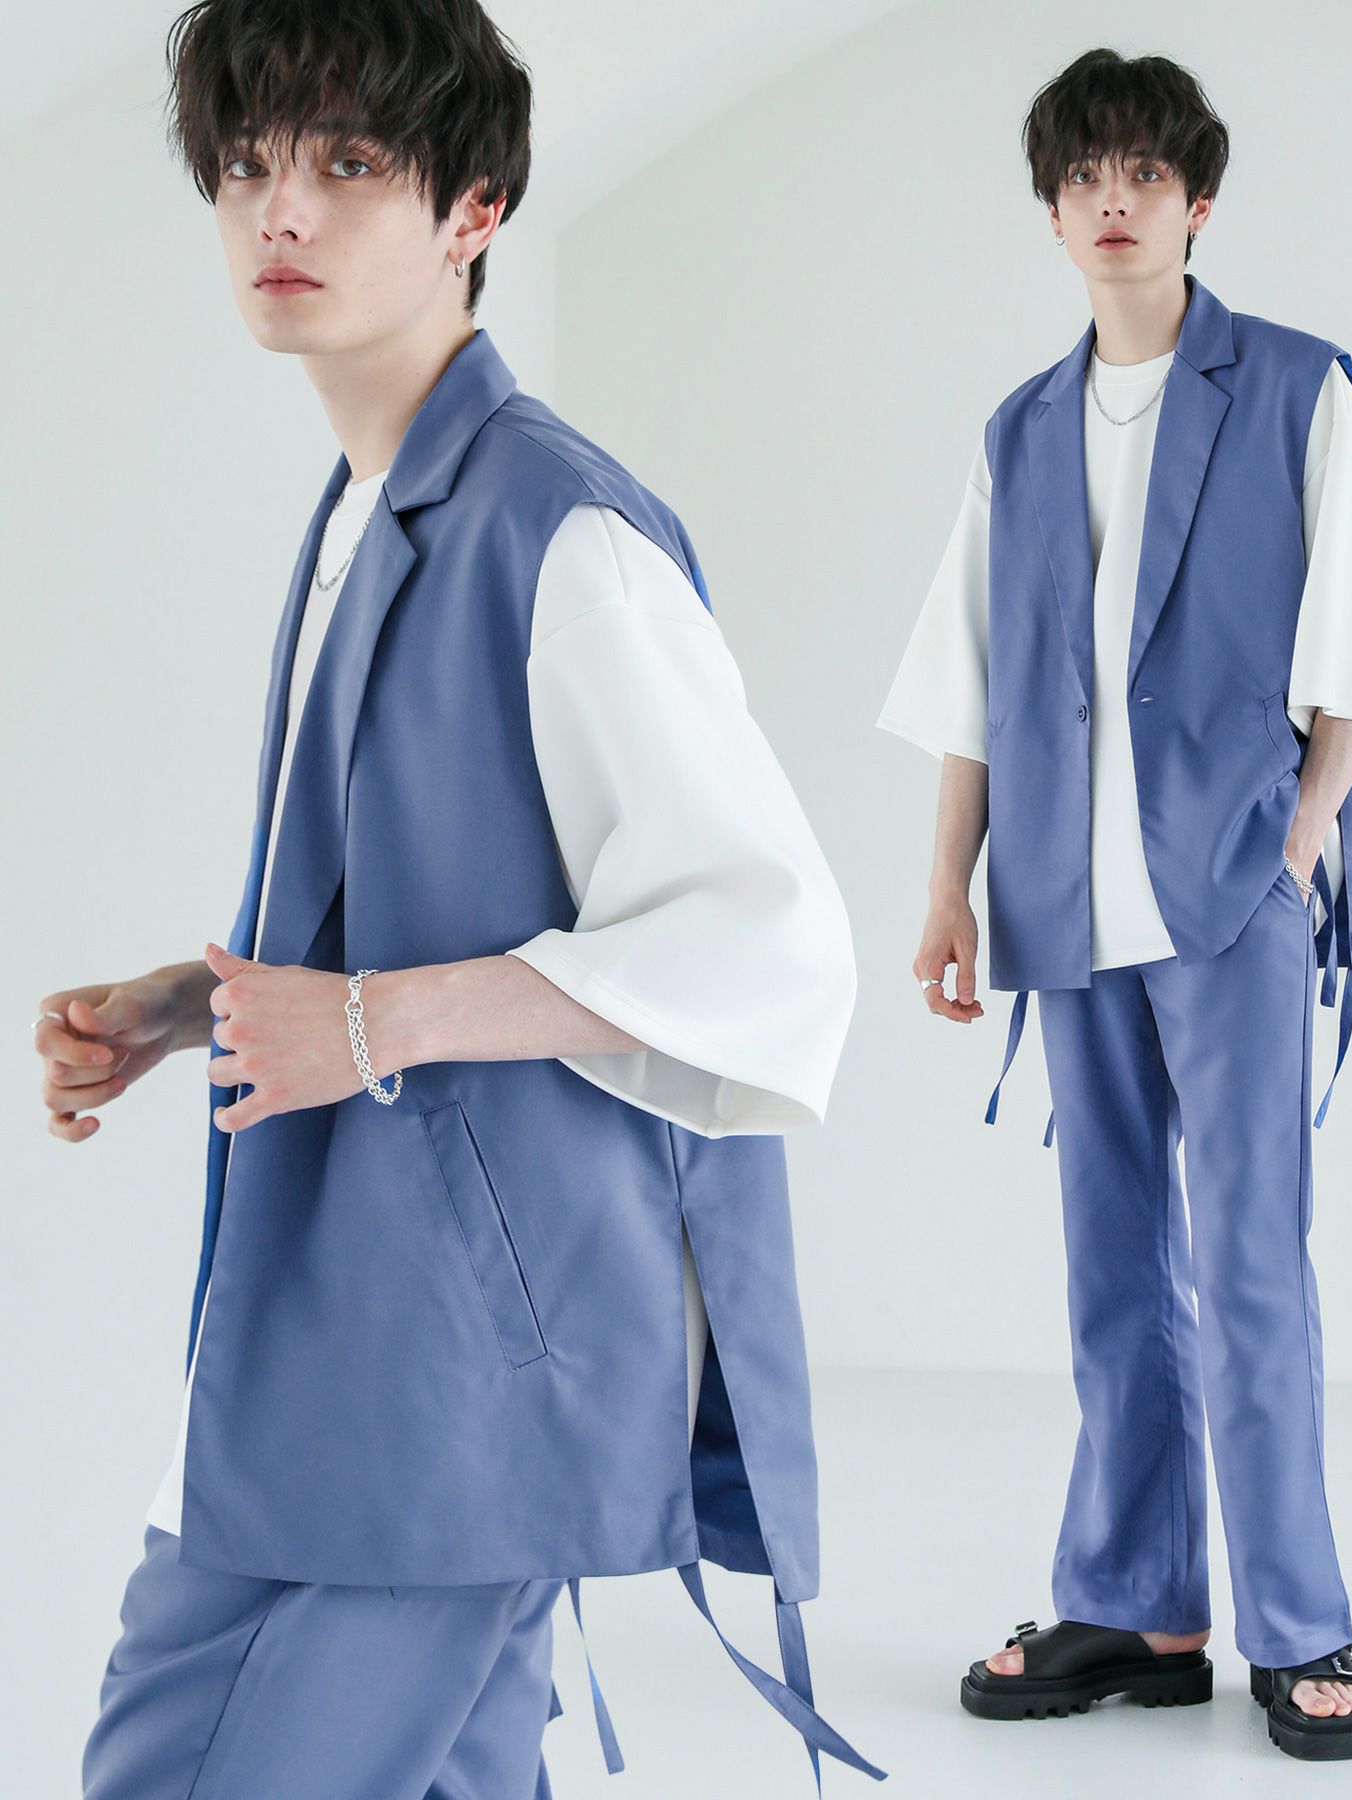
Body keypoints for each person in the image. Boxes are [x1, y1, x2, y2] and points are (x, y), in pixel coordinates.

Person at [33, 3, 885, 1793]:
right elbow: (430, 881)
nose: (282, 211)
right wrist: (193, 1003)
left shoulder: (560, 535)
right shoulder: (372, 501)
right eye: (249, 165)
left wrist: (368, 1023)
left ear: (475, 207)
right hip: (395, 1342)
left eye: (349, 165)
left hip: (442, 1369)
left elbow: (772, 943)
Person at [876, 46, 1352, 1764]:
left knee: (1250, 1265)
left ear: (1198, 204)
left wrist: (1295, 850)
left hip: (1230, 890)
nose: (1115, 203)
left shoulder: (1299, 389)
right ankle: (1141, 1605)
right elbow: (970, 687)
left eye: (1146, 177)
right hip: (1062, 898)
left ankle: (1302, 1625)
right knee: (1112, 1264)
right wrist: (948, 890)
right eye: (1085, 179)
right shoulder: (1020, 431)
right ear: (1052, 213)